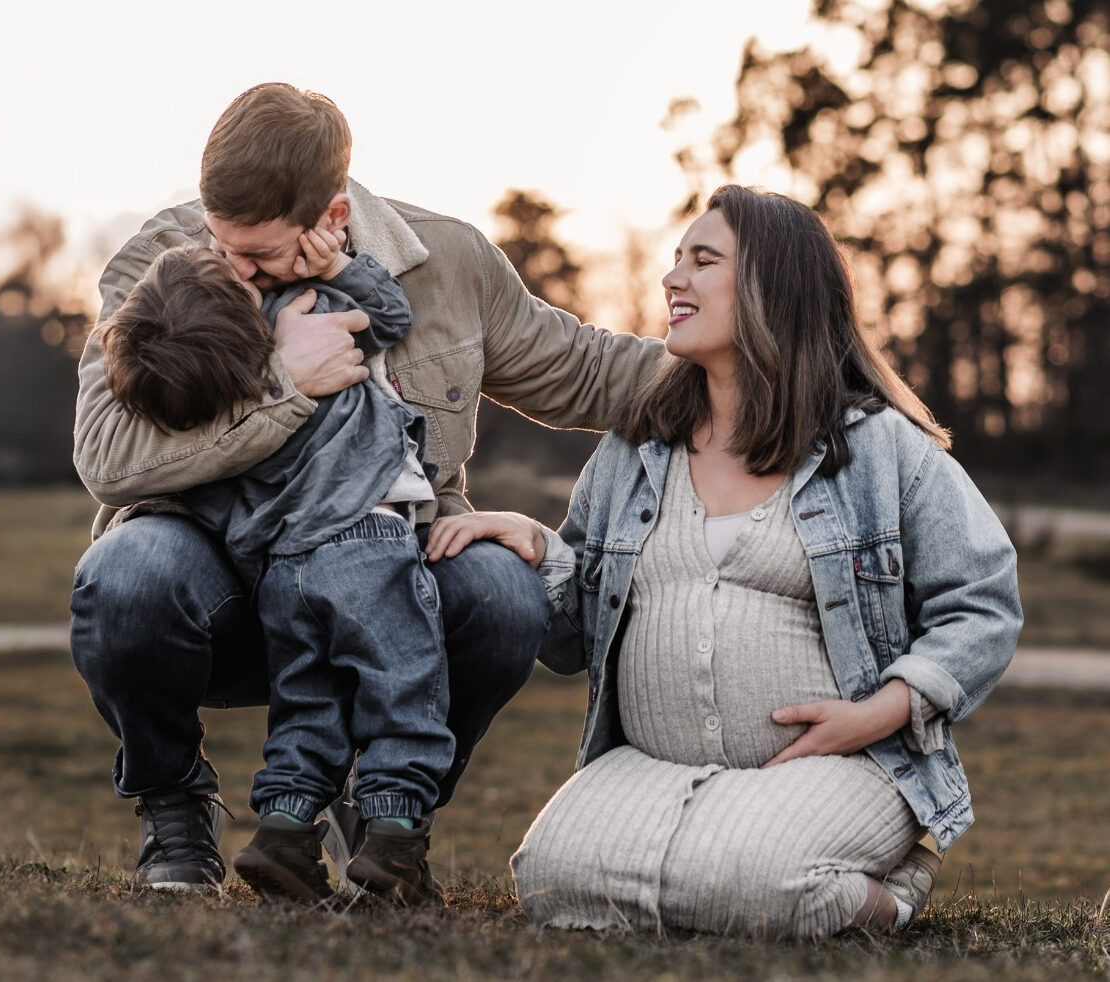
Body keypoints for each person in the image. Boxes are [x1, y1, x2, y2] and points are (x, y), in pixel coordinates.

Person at [68, 82, 666, 895]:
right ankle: (174, 804)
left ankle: (384, 817)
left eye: (258, 257)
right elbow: (107, 454)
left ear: (333, 218)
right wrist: (287, 382)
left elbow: (594, 372)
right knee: (124, 575)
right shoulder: (160, 260)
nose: (232, 272)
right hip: (214, 570)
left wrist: (790, 367)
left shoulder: (448, 262)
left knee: (503, 594)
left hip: (384, 567)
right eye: (221, 243)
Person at [428, 185, 1021, 938]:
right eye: (676, 259)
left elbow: (983, 602)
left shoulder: (879, 448)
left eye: (702, 261)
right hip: (652, 764)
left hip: (841, 764)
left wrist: (883, 711)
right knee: (549, 879)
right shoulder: (636, 447)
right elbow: (573, 639)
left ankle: (892, 893)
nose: (672, 278)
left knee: (764, 880)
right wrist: (543, 550)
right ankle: (723, 873)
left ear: (773, 285)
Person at [96, 231, 453, 906]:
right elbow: (390, 317)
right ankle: (396, 842)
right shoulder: (295, 315)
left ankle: (286, 833)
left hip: (282, 569)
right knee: (404, 683)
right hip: (366, 536)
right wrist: (337, 264)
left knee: (309, 700)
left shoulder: (212, 395)